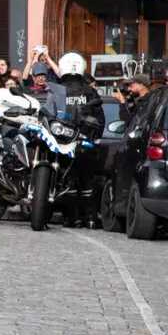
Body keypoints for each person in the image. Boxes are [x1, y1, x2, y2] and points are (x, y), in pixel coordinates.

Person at [51, 52, 106, 228]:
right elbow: (100, 119)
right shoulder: (90, 91)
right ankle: (90, 218)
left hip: (62, 142)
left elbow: (48, 113)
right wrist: (94, 138)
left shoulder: (57, 89)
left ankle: (71, 217)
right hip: (85, 143)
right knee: (87, 181)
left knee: (66, 181)